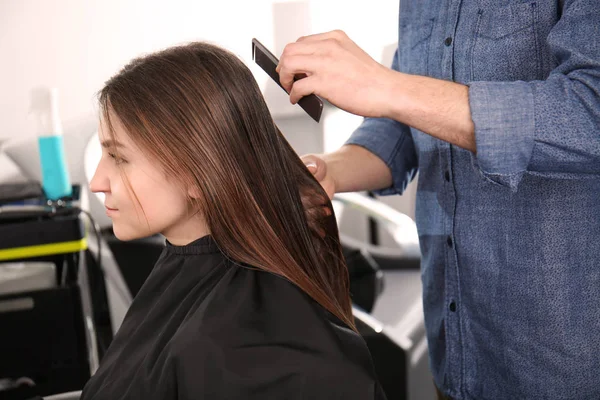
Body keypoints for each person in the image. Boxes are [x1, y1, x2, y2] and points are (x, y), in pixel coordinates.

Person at [276, 1, 600, 400]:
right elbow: (402, 124)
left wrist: (387, 86)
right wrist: (327, 172)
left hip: (561, 363)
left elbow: (590, 110)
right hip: (455, 350)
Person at [81, 42, 386, 400]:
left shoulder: (250, 341)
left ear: (196, 173)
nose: (96, 182)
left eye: (118, 157)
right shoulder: (189, 274)